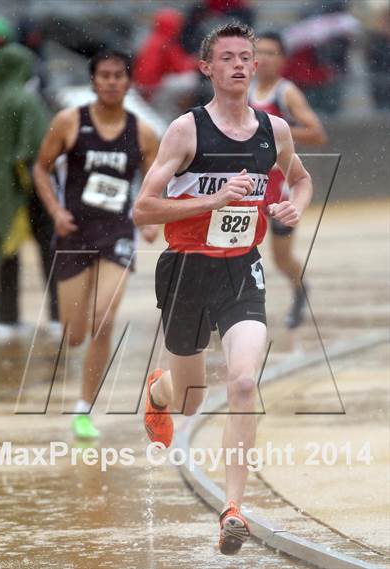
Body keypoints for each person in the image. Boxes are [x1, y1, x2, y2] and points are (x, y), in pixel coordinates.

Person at [133, 22, 312, 555]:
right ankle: (159, 391)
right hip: (186, 268)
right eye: (226, 57)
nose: (237, 64)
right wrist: (211, 202)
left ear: (256, 67)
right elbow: (144, 207)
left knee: (241, 383)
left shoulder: (273, 131)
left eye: (245, 57)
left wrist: (290, 210)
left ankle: (234, 509)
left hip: (242, 269)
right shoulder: (185, 131)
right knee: (191, 401)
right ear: (207, 68)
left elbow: (300, 181)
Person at [34, 50, 159, 440]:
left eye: (118, 76)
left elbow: (154, 182)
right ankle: (77, 348)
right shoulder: (69, 122)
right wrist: (55, 211)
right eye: (103, 76)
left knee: (103, 319)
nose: (110, 82)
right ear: (93, 81)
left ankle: (84, 408)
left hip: (116, 234)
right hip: (74, 233)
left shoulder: (143, 132)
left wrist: (151, 219)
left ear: (128, 82)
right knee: (74, 334)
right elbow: (40, 168)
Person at [0, 43, 59, 342]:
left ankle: (5, 321)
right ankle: (59, 318)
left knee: (7, 255)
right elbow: (40, 148)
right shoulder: (26, 101)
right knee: (49, 250)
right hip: (30, 188)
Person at [248, 31, 327, 328]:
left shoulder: (286, 93)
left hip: (280, 188)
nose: (264, 59)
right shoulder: (243, 89)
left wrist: (276, 131)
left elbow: (317, 134)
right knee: (235, 248)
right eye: (260, 53)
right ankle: (233, 307)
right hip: (249, 186)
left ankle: (299, 288)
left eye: (271, 53)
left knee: (281, 258)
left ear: (282, 60)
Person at [133, 8, 198, 122]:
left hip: (140, 88)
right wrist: (200, 61)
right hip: (152, 89)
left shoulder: (151, 39)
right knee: (190, 79)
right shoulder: (166, 42)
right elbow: (181, 67)